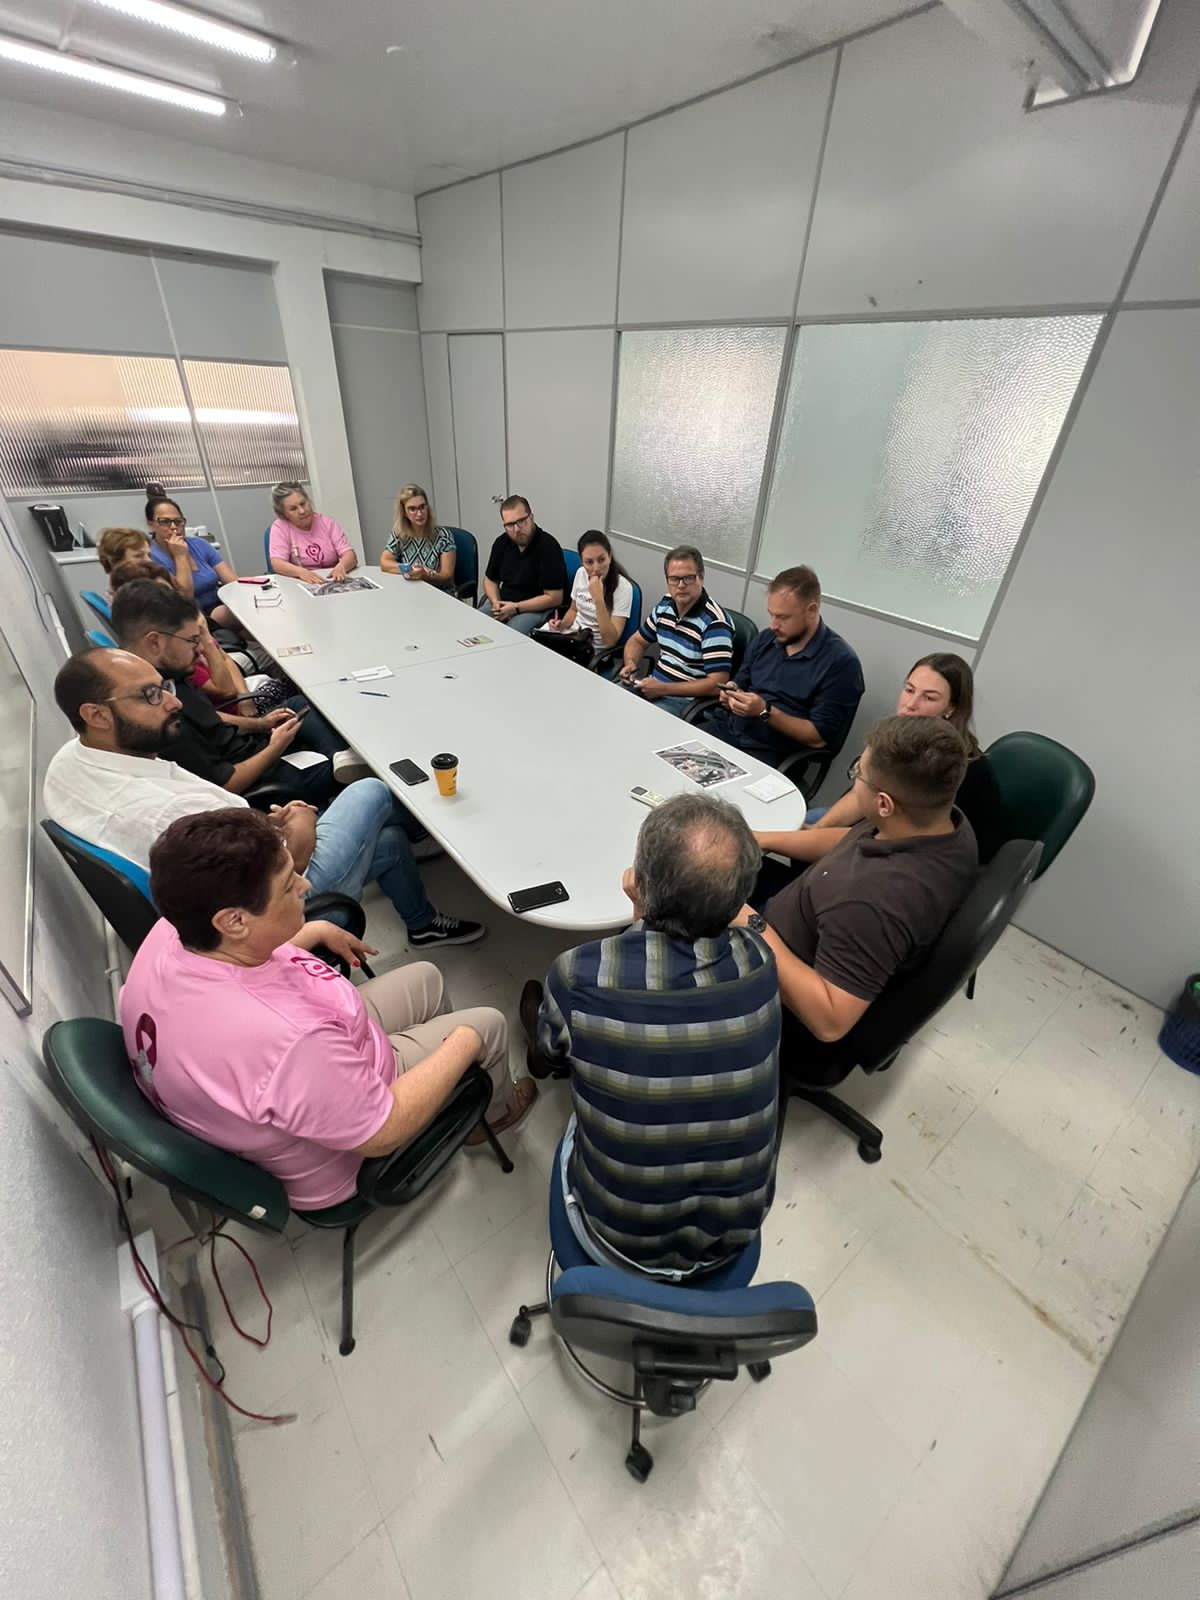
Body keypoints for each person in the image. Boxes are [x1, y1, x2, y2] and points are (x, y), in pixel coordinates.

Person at [119, 809, 535, 1210]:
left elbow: (238, 972)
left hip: (329, 1046)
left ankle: (446, 1091)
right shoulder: (287, 1043)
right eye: (288, 885)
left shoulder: (174, 929)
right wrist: (464, 1042)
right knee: (488, 1025)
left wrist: (314, 930)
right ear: (234, 921)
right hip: (349, 1134)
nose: (304, 886)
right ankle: (494, 1114)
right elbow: (382, 1131)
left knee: (428, 977)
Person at [44, 647, 486, 949]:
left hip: (224, 877)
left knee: (387, 842)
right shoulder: (163, 812)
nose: (172, 704)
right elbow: (287, 868)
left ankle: (422, 924)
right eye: (150, 695)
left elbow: (214, 835)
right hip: (267, 915)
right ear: (96, 714)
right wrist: (299, 825)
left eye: (164, 688)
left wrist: (259, 825)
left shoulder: (67, 763)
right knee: (371, 790)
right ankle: (439, 833)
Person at [522, 794, 780, 1278]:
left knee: (567, 1086)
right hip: (731, 1241)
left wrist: (639, 914)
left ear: (638, 883)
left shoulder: (579, 975)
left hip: (613, 1241)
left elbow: (555, 1056)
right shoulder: (761, 962)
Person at [742, 716, 978, 1067]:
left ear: (884, 804)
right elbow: (851, 839)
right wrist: (764, 838)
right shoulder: (941, 822)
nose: (855, 779)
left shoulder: (871, 901)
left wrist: (747, 921)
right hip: (803, 919)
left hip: (773, 992)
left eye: (859, 773)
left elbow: (830, 1022)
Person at [110, 579, 365, 806]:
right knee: (361, 779)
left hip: (248, 745)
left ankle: (341, 758)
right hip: (256, 777)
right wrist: (275, 747)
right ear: (154, 641)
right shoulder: (161, 717)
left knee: (298, 705)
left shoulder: (168, 675)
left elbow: (210, 718)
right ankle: (343, 766)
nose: (199, 650)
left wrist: (261, 724)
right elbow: (225, 786)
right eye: (191, 641)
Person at [704, 566, 864, 766]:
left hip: (770, 752)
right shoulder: (767, 638)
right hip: (727, 730)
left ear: (812, 610)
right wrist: (731, 694)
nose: (773, 625)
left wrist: (765, 711)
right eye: (771, 614)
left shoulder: (841, 663)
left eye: (783, 617)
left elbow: (817, 738)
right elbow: (740, 682)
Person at [808, 653, 989, 828]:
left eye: (928, 697)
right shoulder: (895, 736)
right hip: (865, 824)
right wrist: (818, 829)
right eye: (909, 690)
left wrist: (812, 837)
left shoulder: (952, 767)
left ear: (951, 708)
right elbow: (858, 797)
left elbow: (888, 834)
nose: (910, 704)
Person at [618, 545, 733, 717]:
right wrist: (631, 664)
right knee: (611, 701)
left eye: (688, 578)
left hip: (686, 703)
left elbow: (717, 684)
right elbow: (637, 641)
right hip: (653, 688)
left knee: (635, 718)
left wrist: (664, 689)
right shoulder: (665, 605)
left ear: (701, 577)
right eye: (674, 579)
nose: (680, 585)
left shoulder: (715, 622)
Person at [144, 487, 239, 628]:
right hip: (190, 617)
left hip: (220, 605)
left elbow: (233, 582)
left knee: (250, 616)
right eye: (165, 521)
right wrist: (180, 556)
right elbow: (184, 598)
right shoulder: (150, 557)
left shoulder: (199, 544)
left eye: (178, 521)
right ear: (151, 525)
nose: (173, 527)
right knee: (240, 616)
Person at [539, 530, 634, 664]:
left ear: (610, 556)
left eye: (601, 560)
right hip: (572, 636)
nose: (596, 568)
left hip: (592, 650)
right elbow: (573, 610)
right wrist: (561, 625)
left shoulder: (623, 588)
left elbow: (610, 641)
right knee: (535, 646)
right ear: (582, 561)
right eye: (589, 562)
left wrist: (598, 599)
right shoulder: (581, 573)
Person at [481, 495, 567, 634]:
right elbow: (490, 580)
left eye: (521, 521)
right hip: (505, 603)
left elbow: (554, 598)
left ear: (531, 517)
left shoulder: (548, 546)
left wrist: (516, 608)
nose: (516, 529)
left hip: (535, 609)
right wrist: (495, 601)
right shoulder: (501, 543)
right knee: (476, 624)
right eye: (510, 525)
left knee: (508, 635)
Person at [267, 483, 357, 585]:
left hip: (332, 580)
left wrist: (342, 567)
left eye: (303, 504)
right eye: (293, 509)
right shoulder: (280, 527)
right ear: (284, 514)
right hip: (300, 582)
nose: (302, 511)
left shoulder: (327, 523)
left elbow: (350, 555)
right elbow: (277, 563)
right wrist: (301, 573)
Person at [381, 484, 456, 587]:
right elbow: (384, 562)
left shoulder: (443, 536)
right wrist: (408, 569)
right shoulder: (399, 534)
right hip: (412, 589)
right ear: (404, 512)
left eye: (422, 507)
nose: (420, 514)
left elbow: (446, 576)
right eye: (412, 509)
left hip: (439, 591)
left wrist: (425, 575)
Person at [97, 527, 151, 596]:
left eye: (149, 555)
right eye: (138, 556)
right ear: (115, 561)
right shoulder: (133, 597)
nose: (149, 560)